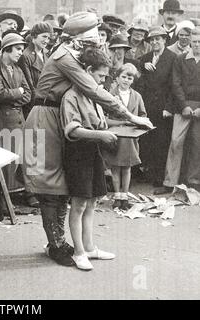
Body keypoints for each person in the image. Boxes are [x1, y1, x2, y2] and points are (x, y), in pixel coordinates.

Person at [23, 12, 153, 267]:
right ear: (77, 39)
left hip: (56, 116)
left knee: (62, 185)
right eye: (91, 40)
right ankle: (57, 244)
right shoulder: (65, 57)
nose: (94, 44)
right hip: (45, 118)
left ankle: (60, 242)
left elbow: (96, 88)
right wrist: (129, 115)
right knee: (49, 186)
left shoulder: (71, 54)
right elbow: (92, 88)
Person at [60, 47, 116, 271]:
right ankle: (79, 251)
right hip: (78, 152)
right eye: (100, 76)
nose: (102, 81)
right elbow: (72, 130)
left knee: (92, 201)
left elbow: (101, 122)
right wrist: (100, 134)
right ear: (88, 71)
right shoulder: (71, 96)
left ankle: (90, 246)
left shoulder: (91, 96)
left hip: (93, 151)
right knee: (79, 203)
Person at [0, 33, 31, 194]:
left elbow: (28, 94)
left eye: (22, 49)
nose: (20, 53)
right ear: (6, 49)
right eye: (18, 49)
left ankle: (24, 194)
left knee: (21, 159)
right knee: (3, 162)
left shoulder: (17, 69)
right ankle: (3, 200)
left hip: (18, 119)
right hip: (1, 120)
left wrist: (13, 96)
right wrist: (18, 92)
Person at [156, 27, 200, 194]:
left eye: (199, 42)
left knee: (197, 144)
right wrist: (184, 106)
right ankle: (169, 182)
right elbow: (176, 84)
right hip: (183, 107)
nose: (197, 45)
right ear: (190, 42)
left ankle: (194, 182)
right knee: (175, 142)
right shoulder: (180, 59)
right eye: (194, 41)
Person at [103, 63, 147, 209]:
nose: (126, 80)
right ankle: (117, 195)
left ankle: (125, 196)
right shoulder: (109, 94)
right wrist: (120, 122)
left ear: (133, 80)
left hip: (130, 137)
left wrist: (137, 124)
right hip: (116, 135)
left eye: (129, 78)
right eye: (123, 77)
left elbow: (143, 115)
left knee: (127, 167)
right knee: (115, 167)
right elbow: (103, 117)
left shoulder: (137, 96)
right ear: (117, 77)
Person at [138, 26, 177, 187]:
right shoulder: (145, 58)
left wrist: (169, 107)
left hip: (163, 108)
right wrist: (143, 66)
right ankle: (148, 174)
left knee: (162, 142)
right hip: (147, 106)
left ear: (164, 40)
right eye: (152, 39)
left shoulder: (173, 57)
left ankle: (160, 178)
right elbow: (140, 81)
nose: (155, 42)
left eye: (158, 39)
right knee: (148, 140)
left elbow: (174, 85)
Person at [18, 22, 53, 117]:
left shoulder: (46, 55)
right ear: (34, 36)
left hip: (45, 104)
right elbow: (29, 86)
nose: (47, 41)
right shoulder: (25, 56)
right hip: (33, 106)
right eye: (44, 37)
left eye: (49, 38)